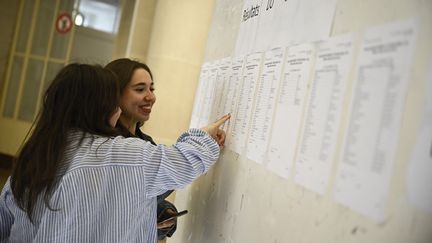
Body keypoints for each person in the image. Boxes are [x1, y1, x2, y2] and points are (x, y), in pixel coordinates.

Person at [0, 63, 230, 242]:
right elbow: (185, 161)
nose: (118, 109)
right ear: (100, 106)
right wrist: (204, 137)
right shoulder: (124, 153)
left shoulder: (36, 157)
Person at [105, 58, 178, 240]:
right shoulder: (104, 146)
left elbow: (144, 200)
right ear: (116, 93)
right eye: (140, 89)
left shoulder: (146, 142)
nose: (150, 97)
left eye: (151, 89)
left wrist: (163, 213)